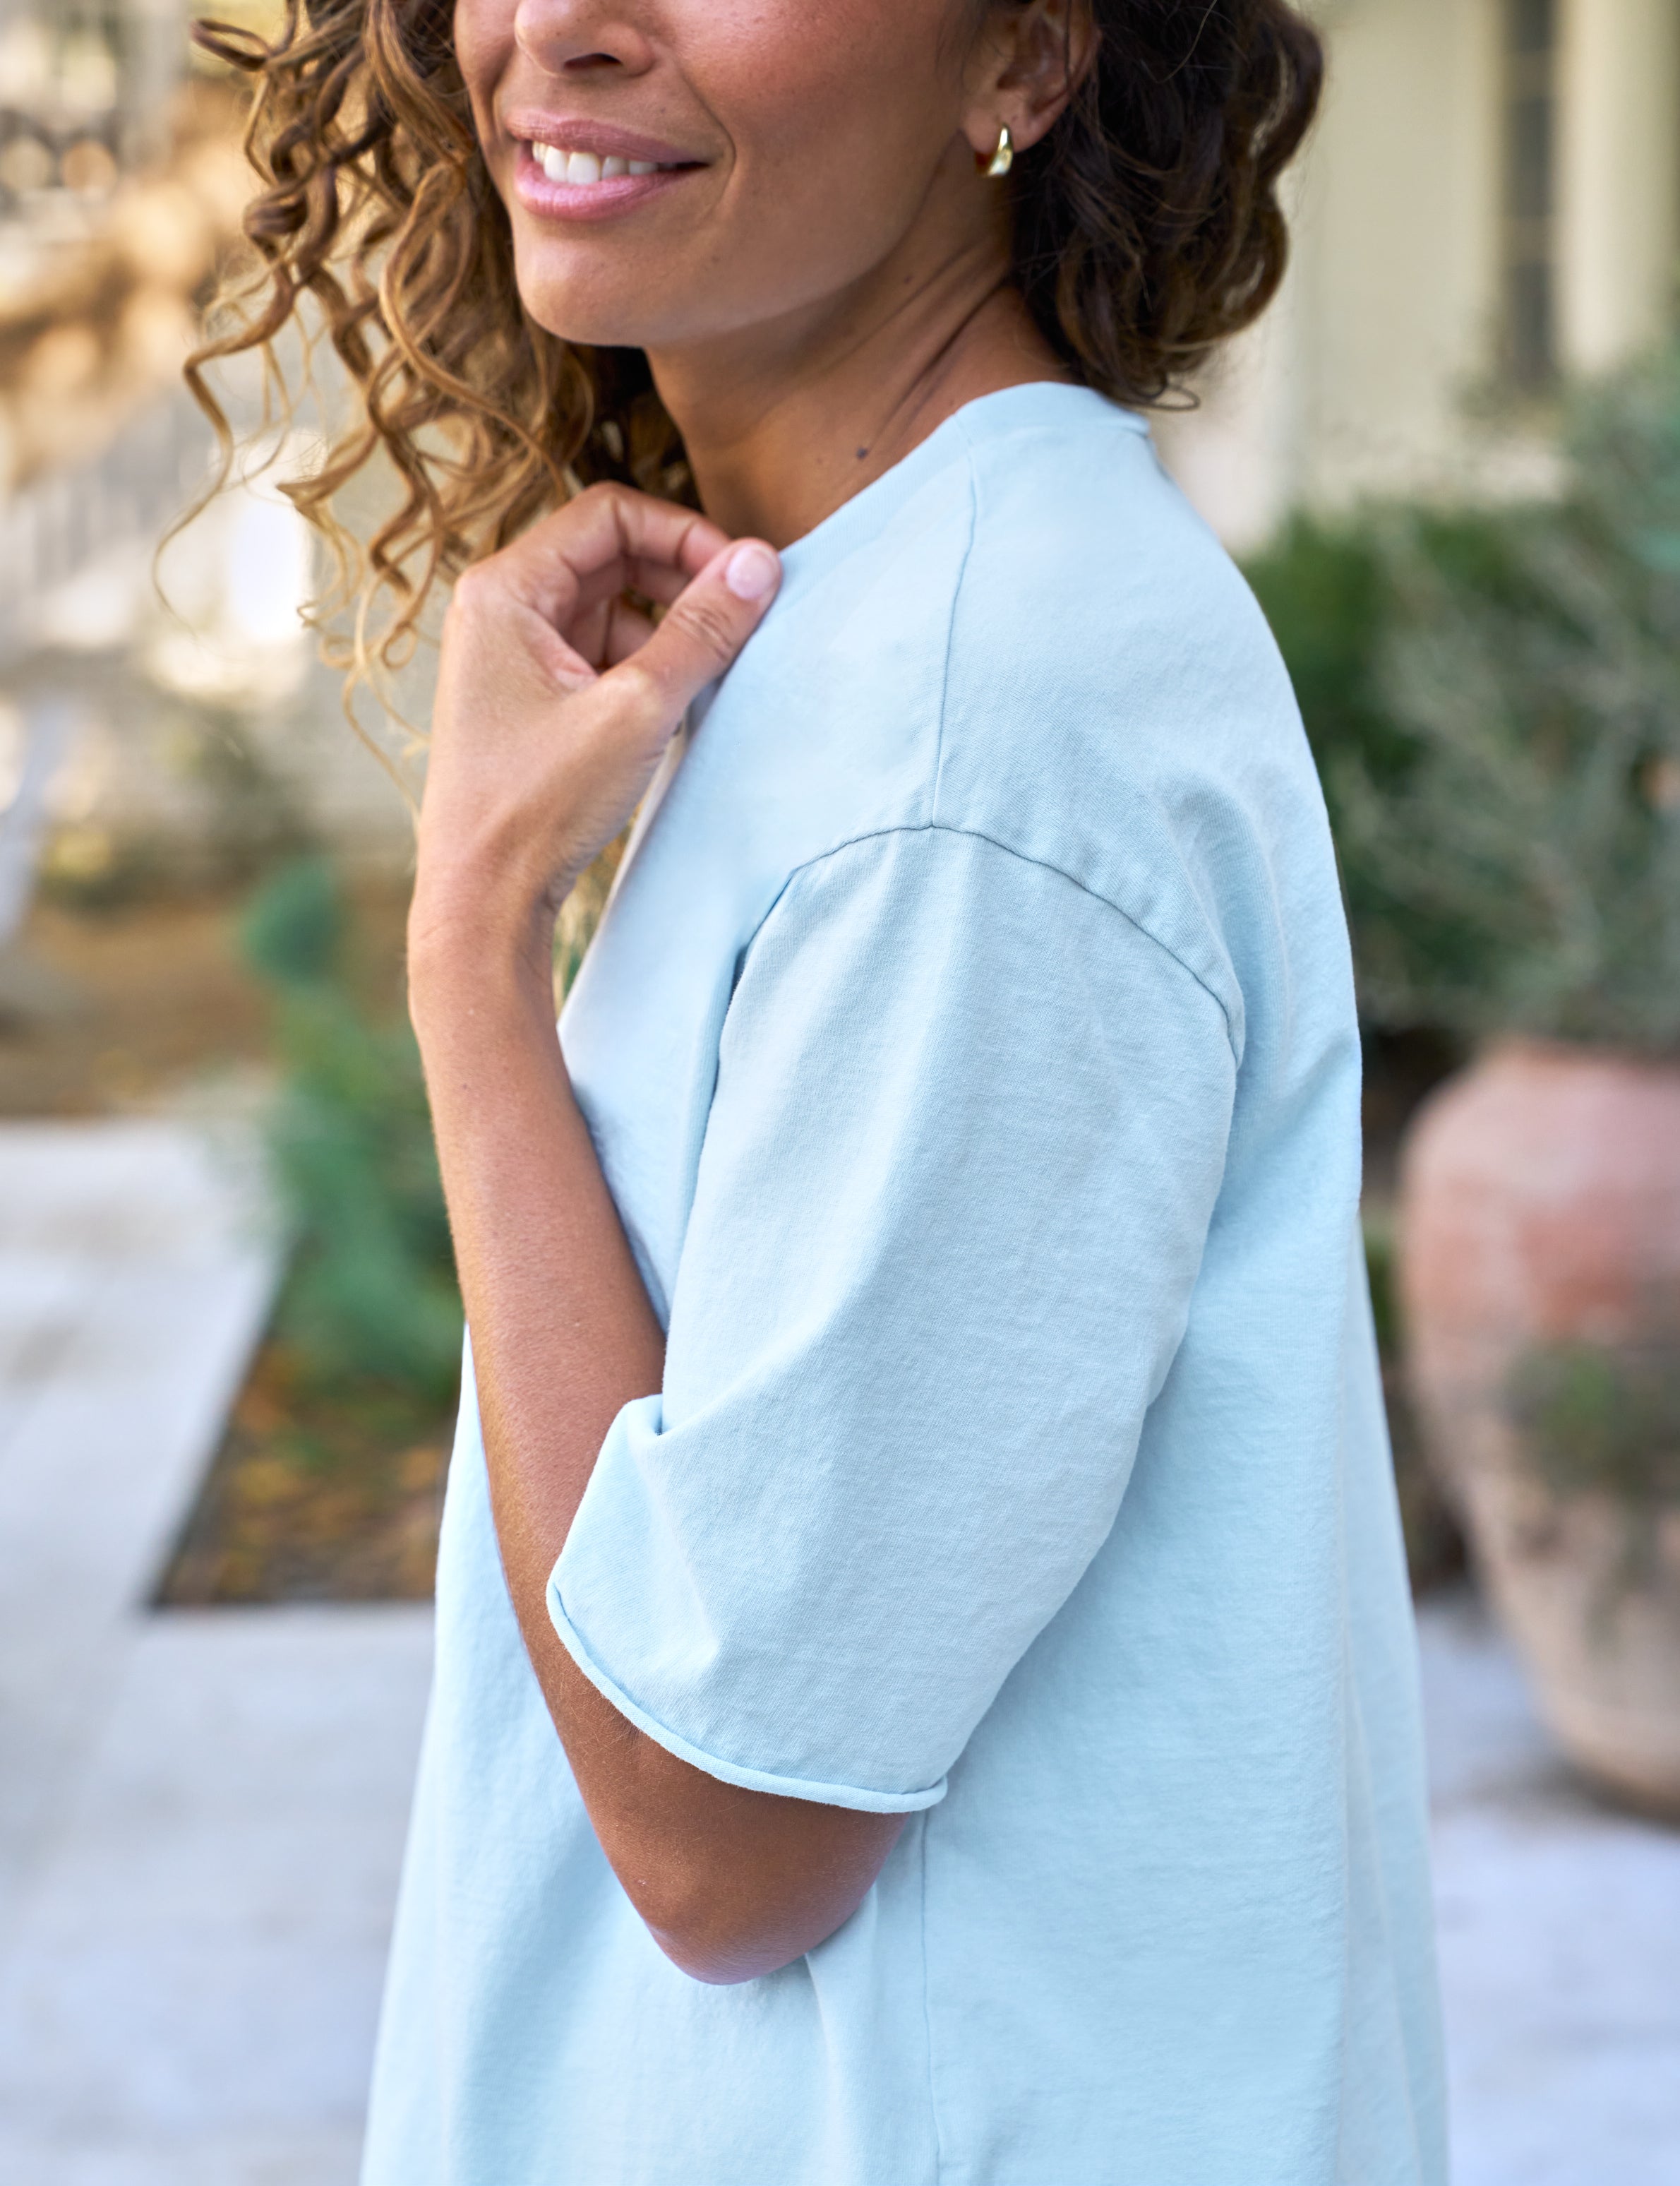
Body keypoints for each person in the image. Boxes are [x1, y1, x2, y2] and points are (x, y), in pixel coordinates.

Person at [193, 1, 1447, 2179]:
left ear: (1024, 66)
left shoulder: (969, 750)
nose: (557, 29)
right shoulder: (886, 623)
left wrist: (470, 954)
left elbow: (726, 1832)